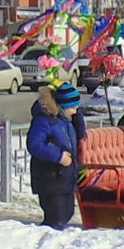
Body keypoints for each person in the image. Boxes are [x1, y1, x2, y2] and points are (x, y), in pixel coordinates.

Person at [28, 83, 83, 230]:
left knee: (67, 213)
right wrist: (58, 156)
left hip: (65, 178)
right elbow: (34, 144)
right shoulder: (45, 120)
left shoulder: (66, 121)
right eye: (74, 107)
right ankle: (44, 244)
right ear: (64, 105)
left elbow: (81, 135)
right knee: (55, 217)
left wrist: (78, 117)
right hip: (50, 178)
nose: (76, 110)